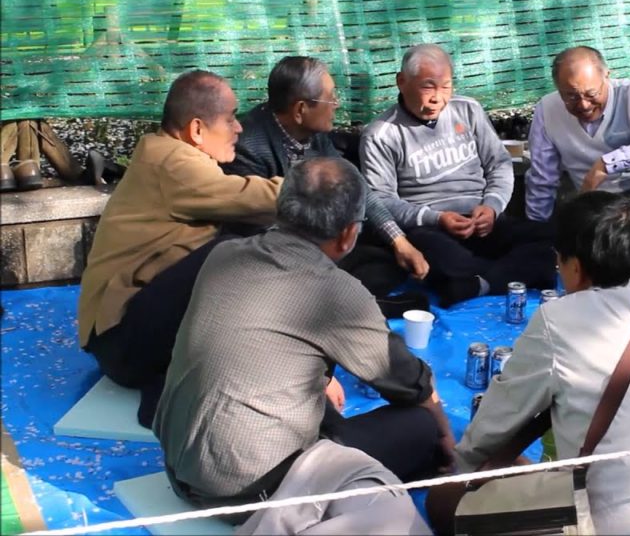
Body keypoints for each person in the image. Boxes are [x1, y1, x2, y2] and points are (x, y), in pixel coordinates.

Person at [153, 158, 454, 529]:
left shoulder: (224, 254)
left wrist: (321, 377)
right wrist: (443, 432)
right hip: (246, 492)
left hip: (178, 468)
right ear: (348, 234)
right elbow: (407, 381)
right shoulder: (335, 291)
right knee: (420, 427)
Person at [429, 192, 630, 535]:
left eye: (559, 261)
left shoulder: (558, 321)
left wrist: (465, 468)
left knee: (445, 501)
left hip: (613, 522)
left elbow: (498, 420)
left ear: (576, 266)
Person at [78, 70, 280, 427]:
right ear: (197, 129)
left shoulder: (167, 153)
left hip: (122, 337)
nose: (239, 128)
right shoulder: (174, 163)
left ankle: (178, 382)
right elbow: (256, 197)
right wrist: (321, 184)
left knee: (236, 245)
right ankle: (172, 396)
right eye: (231, 118)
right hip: (122, 344)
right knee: (233, 253)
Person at [222, 56, 430, 315]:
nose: (336, 104)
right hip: (277, 253)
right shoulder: (248, 147)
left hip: (321, 238)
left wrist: (399, 241)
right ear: (300, 110)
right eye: (330, 98)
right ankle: (349, 306)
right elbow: (259, 231)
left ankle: (343, 300)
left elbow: (354, 184)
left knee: (386, 264)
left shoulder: (314, 134)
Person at [360, 43, 554, 307]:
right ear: (401, 82)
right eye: (428, 87)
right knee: (443, 257)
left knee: (551, 238)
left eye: (446, 87)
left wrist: (492, 206)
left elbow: (499, 164)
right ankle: (506, 274)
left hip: (482, 221)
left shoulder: (468, 110)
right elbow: (382, 200)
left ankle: (477, 283)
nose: (437, 97)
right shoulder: (381, 134)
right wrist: (437, 218)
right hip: (429, 227)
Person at [525, 46, 630, 261]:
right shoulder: (547, 109)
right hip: (596, 207)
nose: (583, 104)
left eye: (591, 94)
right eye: (571, 97)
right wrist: (536, 232)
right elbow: (542, 178)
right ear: (558, 88)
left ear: (606, 76)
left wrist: (606, 164)